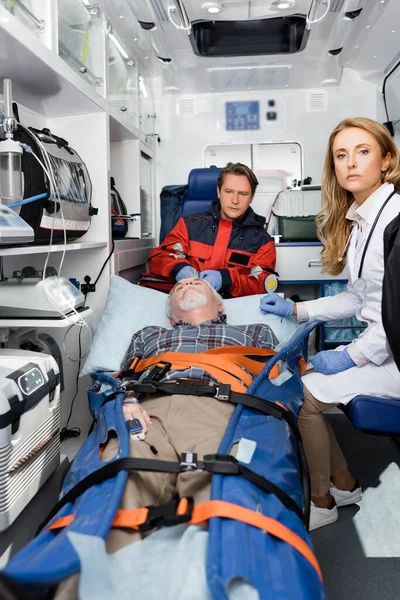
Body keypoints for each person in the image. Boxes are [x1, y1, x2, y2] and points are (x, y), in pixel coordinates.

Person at [259, 117, 400, 531]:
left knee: (305, 400)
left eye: (362, 151)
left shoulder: (395, 220)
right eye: (341, 155)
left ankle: (322, 501)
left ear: (386, 159)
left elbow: (396, 315)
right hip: (383, 344)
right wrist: (297, 311)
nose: (350, 163)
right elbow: (359, 297)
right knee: (305, 388)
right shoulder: (362, 220)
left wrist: (350, 356)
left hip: (394, 354)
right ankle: (344, 482)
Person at [146, 162, 277, 298]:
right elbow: (159, 257)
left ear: (251, 197)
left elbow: (263, 284)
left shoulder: (263, 241)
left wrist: (227, 279)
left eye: (243, 194)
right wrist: (178, 268)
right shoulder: (189, 225)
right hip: (189, 302)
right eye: (229, 191)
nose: (235, 200)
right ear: (218, 192)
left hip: (232, 305)